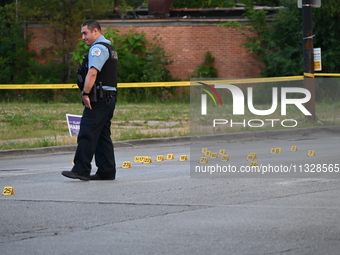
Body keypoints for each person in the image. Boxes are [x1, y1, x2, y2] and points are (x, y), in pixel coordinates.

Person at [62, 19, 118, 181]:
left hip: (98, 98)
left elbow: (92, 73)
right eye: (82, 34)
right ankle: (106, 171)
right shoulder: (110, 47)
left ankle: (81, 169)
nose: (83, 37)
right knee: (102, 136)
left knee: (87, 132)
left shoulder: (98, 49)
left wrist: (85, 93)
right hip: (108, 98)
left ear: (95, 31)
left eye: (85, 33)